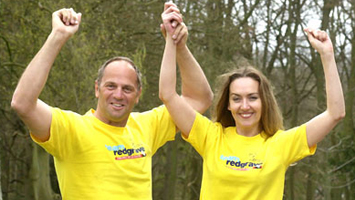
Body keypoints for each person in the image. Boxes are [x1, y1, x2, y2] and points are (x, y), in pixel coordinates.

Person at [11, 3, 213, 200]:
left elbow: (199, 99)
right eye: (110, 86)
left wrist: (179, 47)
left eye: (127, 89)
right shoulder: (71, 130)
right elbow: (23, 103)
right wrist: (58, 36)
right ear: (97, 89)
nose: (118, 95)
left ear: (138, 94)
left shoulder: (147, 126)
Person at [159, 13, 345, 200]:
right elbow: (168, 95)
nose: (245, 106)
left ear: (264, 102)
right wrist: (172, 41)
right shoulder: (210, 137)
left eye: (253, 97)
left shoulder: (280, 145)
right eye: (237, 99)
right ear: (228, 105)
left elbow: (335, 114)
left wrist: (327, 55)